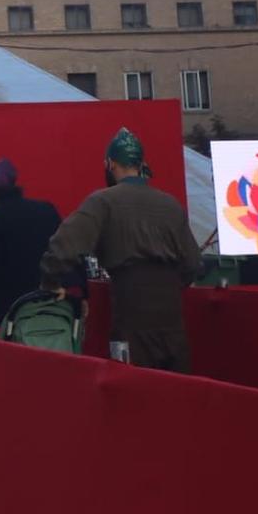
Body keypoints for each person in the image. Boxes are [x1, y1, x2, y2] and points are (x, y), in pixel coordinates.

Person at [40, 129, 203, 372]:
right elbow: (193, 264)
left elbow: (63, 246)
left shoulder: (103, 202)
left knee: (131, 389)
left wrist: (51, 281)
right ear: (141, 164)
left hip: (130, 313)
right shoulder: (170, 204)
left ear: (111, 164)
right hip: (172, 319)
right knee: (174, 394)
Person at [0, 159, 63, 332]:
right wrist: (81, 293)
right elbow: (66, 248)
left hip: (13, 313)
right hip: (52, 305)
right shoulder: (47, 210)